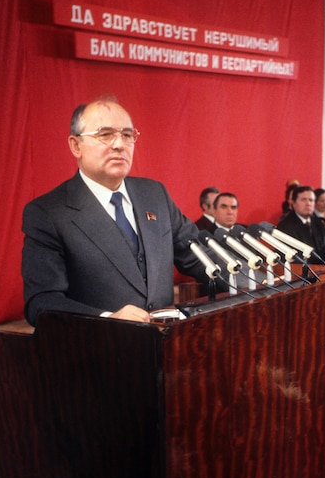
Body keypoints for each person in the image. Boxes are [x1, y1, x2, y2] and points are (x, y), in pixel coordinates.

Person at [22, 97, 207, 325]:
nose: (119, 144)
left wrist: (252, 280)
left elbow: (201, 257)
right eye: (105, 134)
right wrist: (109, 319)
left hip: (166, 347)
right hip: (101, 352)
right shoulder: (48, 213)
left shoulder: (154, 194)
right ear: (76, 145)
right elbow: (41, 303)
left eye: (127, 135)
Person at [276, 185, 325, 250]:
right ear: (294, 203)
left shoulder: (319, 223)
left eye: (311, 200)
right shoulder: (285, 226)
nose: (308, 203)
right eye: (303, 200)